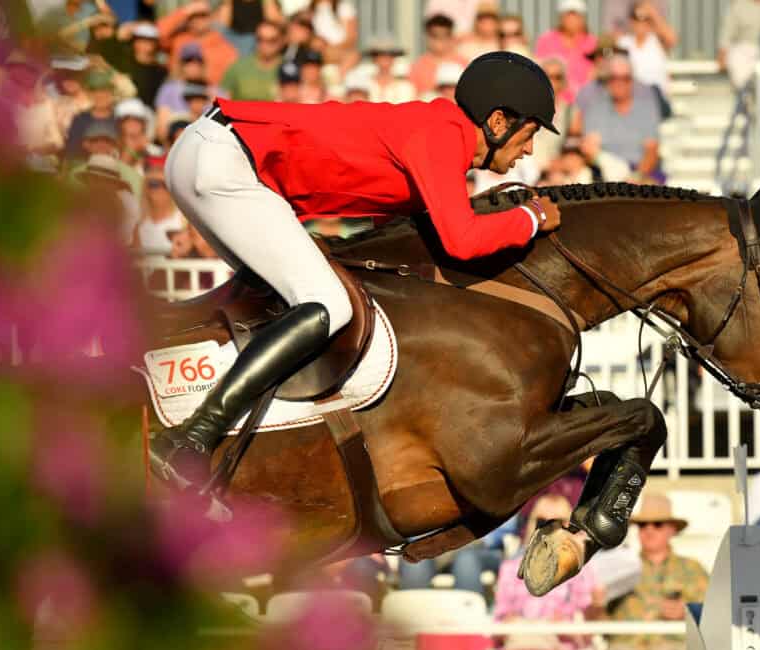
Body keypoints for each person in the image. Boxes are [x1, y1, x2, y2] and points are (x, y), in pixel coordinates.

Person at [152, 52, 565, 491]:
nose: (530, 149)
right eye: (530, 132)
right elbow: (461, 240)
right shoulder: (444, 134)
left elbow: (396, 238)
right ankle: (191, 440)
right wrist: (531, 220)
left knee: (278, 301)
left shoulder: (440, 138)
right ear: (498, 121)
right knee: (327, 302)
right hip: (226, 161)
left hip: (211, 154)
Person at [492, 494, 599, 650]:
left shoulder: (582, 571)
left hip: (559, 645)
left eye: (558, 523)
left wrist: (566, 625)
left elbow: (588, 627)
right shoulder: (510, 567)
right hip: (517, 641)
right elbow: (497, 623)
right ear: (533, 524)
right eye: (542, 522)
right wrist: (508, 622)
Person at [596, 493, 708, 650]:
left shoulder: (692, 569)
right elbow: (599, 617)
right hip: (625, 648)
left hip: (675, 647)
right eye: (642, 525)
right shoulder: (619, 567)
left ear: (672, 529)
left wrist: (686, 612)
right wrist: (596, 604)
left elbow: (713, 613)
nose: (649, 530)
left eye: (657, 524)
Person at [574, 53, 662, 180]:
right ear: (607, 81)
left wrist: (635, 177)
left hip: (640, 173)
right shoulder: (595, 108)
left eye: (625, 78)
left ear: (632, 80)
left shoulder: (646, 108)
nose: (619, 83)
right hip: (605, 174)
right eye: (614, 78)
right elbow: (589, 149)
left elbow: (651, 152)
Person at [157, 0, 238, 86]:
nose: (197, 21)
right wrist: (185, 11)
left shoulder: (223, 46)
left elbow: (231, 80)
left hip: (206, 94)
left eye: (202, 16)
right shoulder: (178, 40)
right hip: (178, 93)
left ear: (210, 18)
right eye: (193, 17)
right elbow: (157, 34)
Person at [617, 1, 676, 115]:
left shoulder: (657, 41)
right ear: (630, 21)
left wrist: (651, 11)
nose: (640, 23)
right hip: (631, 97)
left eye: (645, 19)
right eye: (636, 18)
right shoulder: (623, 43)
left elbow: (672, 39)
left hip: (655, 96)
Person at [534, 0, 598, 102]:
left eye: (576, 15)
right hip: (552, 100)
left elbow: (595, 74)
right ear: (561, 17)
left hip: (584, 102)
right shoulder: (546, 40)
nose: (572, 19)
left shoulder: (592, 42)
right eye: (568, 15)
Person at [219, 19, 283, 101]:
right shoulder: (238, 67)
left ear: (282, 41)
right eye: (260, 39)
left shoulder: (288, 68)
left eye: (272, 40)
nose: (265, 44)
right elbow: (222, 98)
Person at [137, 156, 185, 255]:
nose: (160, 189)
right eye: (154, 184)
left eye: (165, 184)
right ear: (146, 188)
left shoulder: (182, 218)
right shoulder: (138, 221)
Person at [409, 13, 465, 97]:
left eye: (444, 35)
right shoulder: (417, 66)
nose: (439, 40)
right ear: (428, 37)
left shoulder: (463, 64)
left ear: (451, 37)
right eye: (434, 35)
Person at [363, 37, 415, 105]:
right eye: (380, 55)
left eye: (389, 55)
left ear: (394, 58)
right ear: (374, 58)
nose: (384, 59)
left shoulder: (405, 87)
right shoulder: (364, 84)